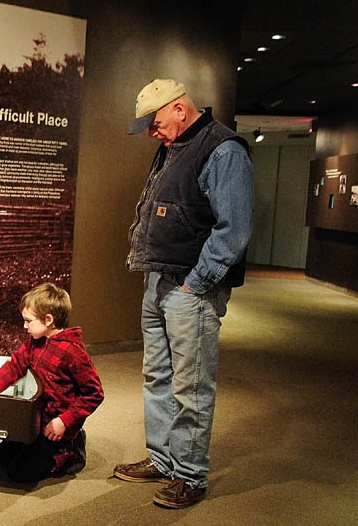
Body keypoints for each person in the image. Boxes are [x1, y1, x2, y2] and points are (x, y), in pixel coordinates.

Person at [114, 78, 254, 508]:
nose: (153, 133)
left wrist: (198, 282)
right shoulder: (172, 146)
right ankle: (162, 459)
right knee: (157, 375)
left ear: (179, 109)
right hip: (158, 280)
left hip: (190, 288)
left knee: (190, 386)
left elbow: (234, 228)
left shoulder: (224, 149)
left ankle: (190, 475)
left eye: (156, 123)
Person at [0, 283, 104, 483]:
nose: (24, 326)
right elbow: (16, 365)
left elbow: (94, 394)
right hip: (38, 417)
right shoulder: (34, 342)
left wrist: (64, 421)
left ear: (48, 320)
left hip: (57, 425)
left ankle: (70, 450)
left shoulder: (73, 352)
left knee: (19, 474)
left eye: (28, 321)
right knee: (2, 457)